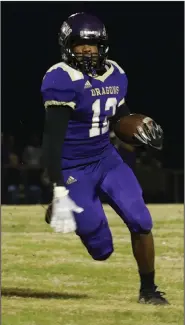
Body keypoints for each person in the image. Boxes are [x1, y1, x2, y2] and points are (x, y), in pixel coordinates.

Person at [41, 12, 168, 305]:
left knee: (141, 220)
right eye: (79, 44)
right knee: (102, 251)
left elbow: (119, 118)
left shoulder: (116, 74)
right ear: (67, 46)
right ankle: (63, 208)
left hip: (106, 158)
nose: (87, 50)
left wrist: (142, 131)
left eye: (92, 44)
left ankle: (148, 290)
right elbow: (52, 139)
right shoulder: (61, 78)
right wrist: (58, 187)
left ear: (103, 46)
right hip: (73, 166)